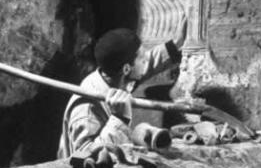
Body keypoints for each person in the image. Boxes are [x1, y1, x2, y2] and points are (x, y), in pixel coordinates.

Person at [57, 25, 184, 159]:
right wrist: (119, 119)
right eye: (142, 58)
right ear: (127, 69)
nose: (146, 59)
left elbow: (147, 64)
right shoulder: (87, 108)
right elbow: (85, 156)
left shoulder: (115, 77)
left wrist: (174, 45)